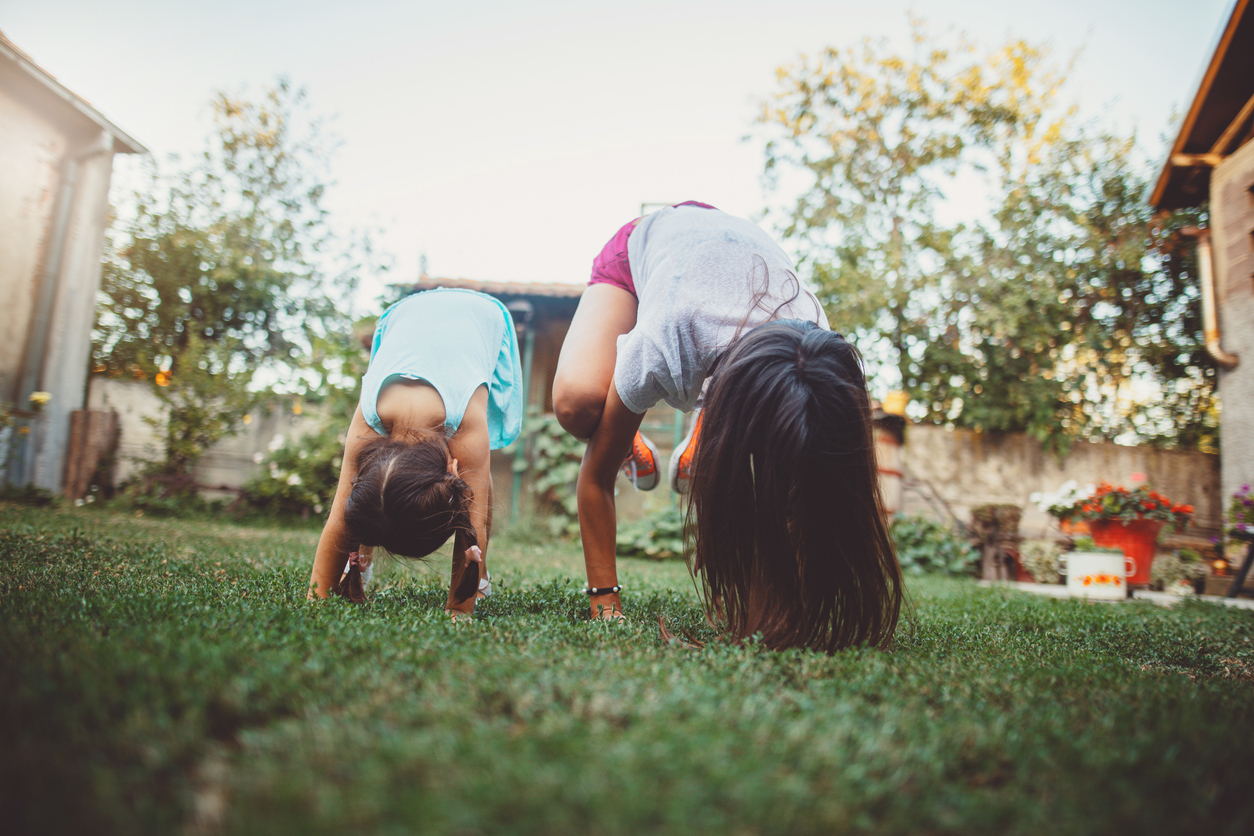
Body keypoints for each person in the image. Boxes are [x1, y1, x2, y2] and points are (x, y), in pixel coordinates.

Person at [552, 202, 901, 652]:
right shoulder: (664, 339)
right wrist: (605, 601)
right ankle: (627, 440)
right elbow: (594, 480)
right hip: (646, 247)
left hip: (732, 249)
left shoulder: (816, 346)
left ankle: (703, 437)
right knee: (577, 404)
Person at [308, 288, 522, 617]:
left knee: (476, 470)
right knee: (382, 492)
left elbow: (472, 523)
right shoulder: (366, 425)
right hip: (401, 316)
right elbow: (342, 516)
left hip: (480, 315)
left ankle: (480, 578)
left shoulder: (466, 423)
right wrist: (316, 599)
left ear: (450, 471)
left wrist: (459, 608)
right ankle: (358, 566)